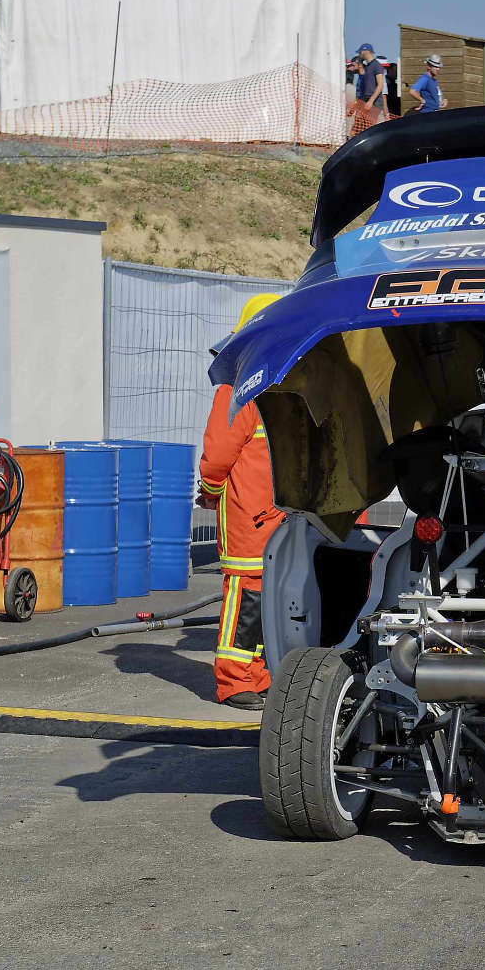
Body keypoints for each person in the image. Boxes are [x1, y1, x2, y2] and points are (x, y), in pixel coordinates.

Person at [197, 293, 286, 710]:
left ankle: (255, 677)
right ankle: (235, 682)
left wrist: (211, 493)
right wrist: (214, 492)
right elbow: (215, 462)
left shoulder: (246, 390)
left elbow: (215, 463)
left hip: (261, 517)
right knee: (249, 597)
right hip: (258, 519)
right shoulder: (264, 389)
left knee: (264, 599)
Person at [351, 43, 385, 133]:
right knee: (362, 126)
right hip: (366, 101)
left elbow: (380, 85)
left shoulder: (376, 65)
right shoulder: (368, 66)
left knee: (370, 127)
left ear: (365, 51)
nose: (359, 55)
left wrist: (371, 101)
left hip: (374, 103)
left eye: (360, 52)